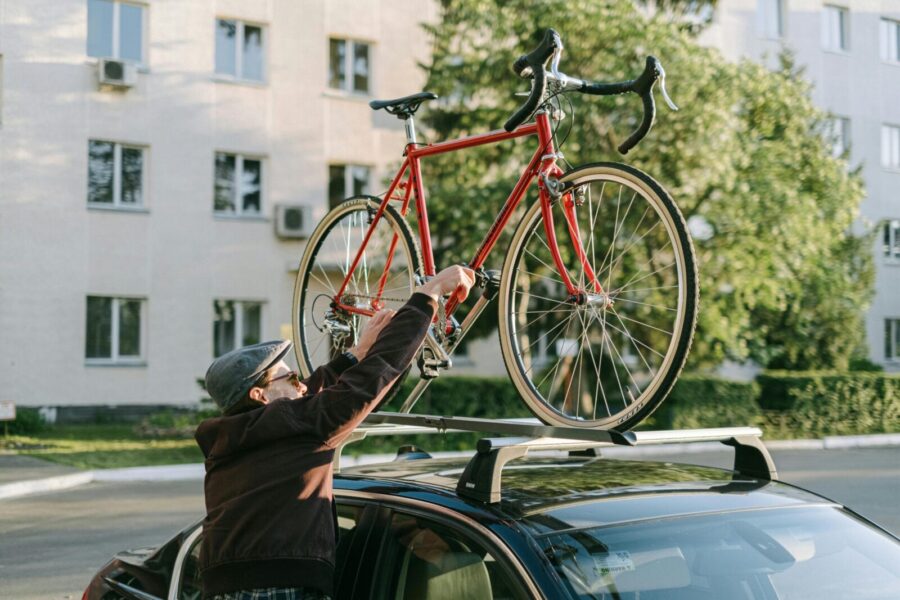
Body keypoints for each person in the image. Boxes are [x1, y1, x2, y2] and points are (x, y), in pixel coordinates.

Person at [195, 266, 476, 600]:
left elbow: (311, 399)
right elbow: (372, 378)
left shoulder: (237, 438)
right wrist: (428, 294)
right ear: (260, 395)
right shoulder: (293, 425)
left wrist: (355, 354)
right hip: (276, 590)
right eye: (293, 379)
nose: (303, 385)